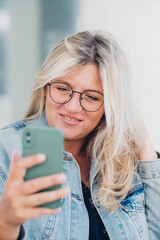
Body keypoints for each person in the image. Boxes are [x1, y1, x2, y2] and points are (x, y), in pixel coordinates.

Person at [0, 30, 160, 240]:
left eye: (91, 97)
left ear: (110, 106)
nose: (73, 107)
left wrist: (146, 149)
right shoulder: (6, 151)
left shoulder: (124, 160)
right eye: (62, 88)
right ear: (45, 89)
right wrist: (6, 223)